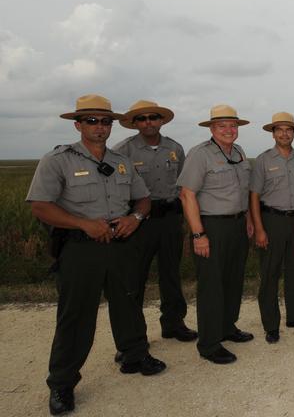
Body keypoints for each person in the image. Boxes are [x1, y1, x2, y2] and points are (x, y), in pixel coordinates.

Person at [26, 95, 165, 415]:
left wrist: (135, 218)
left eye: (105, 121)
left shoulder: (121, 161)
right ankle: (62, 383)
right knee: (76, 315)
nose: (99, 127)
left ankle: (134, 355)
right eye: (91, 121)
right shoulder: (58, 160)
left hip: (121, 244)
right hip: (80, 248)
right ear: (78, 125)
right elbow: (40, 206)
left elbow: (143, 199)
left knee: (128, 302)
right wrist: (83, 224)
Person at [114, 100, 196, 343]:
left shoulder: (175, 148)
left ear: (161, 121)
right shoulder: (123, 151)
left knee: (171, 274)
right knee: (134, 278)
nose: (148, 122)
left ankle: (173, 323)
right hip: (140, 222)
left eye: (153, 117)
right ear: (135, 123)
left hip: (170, 218)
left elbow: (182, 185)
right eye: (142, 118)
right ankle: (133, 337)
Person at [178, 104, 254, 365]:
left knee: (233, 280)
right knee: (211, 286)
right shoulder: (200, 154)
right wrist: (198, 234)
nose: (229, 130)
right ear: (212, 128)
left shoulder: (239, 152)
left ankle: (227, 327)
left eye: (233, 125)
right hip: (211, 226)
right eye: (222, 126)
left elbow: (242, 190)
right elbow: (186, 195)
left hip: (237, 224)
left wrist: (247, 219)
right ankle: (209, 344)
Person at [250, 112, 294, 344]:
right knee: (270, 274)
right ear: (273, 133)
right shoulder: (263, 160)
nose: (284, 134)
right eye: (280, 129)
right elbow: (254, 196)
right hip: (272, 220)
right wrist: (259, 229)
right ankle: (271, 325)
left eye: (289, 130)